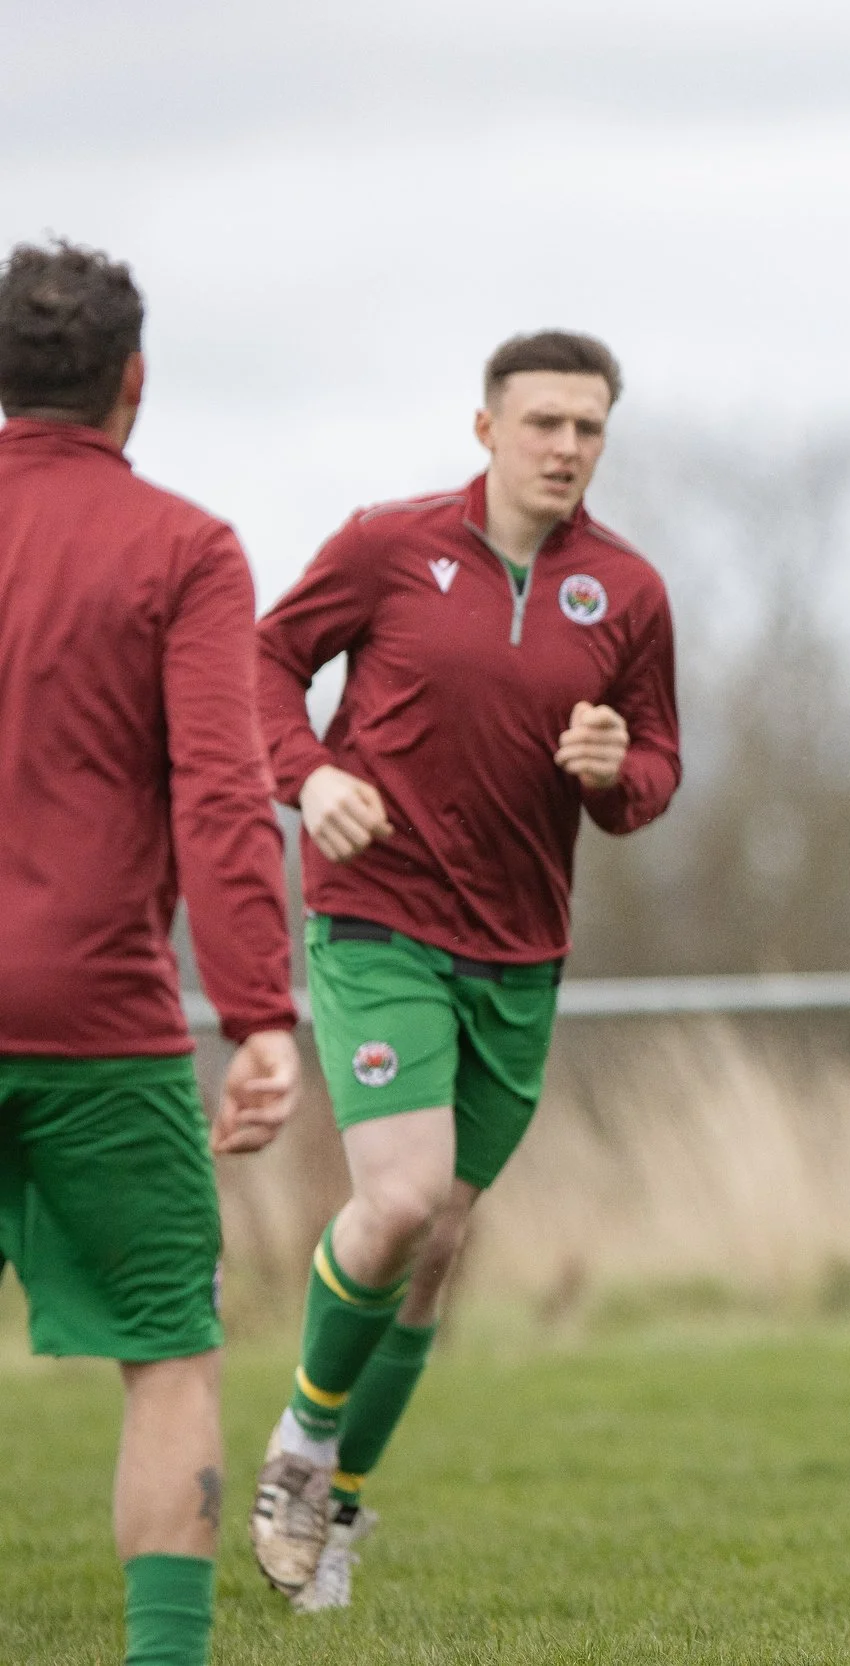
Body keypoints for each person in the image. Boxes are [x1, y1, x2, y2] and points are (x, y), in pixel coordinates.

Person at [247, 331, 682, 1608]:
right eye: (544, 422)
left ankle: (336, 1517)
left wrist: (616, 769)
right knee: (397, 1199)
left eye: (589, 428)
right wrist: (310, 776)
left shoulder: (629, 591)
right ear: (486, 428)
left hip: (521, 949)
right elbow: (266, 663)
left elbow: (654, 770)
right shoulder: (387, 546)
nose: (566, 448)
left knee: (436, 1244)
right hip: (377, 918)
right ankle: (299, 1455)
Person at [0, 240, 303, 1666]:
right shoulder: (184, 548)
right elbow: (221, 794)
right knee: (168, 1360)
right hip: (95, 1024)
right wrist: (259, 1011)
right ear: (134, 382)